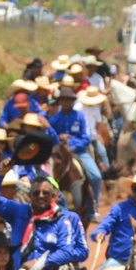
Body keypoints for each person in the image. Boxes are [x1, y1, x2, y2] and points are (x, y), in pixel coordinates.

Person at [45, 88, 102, 223]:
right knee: (46, 175)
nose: (66, 102)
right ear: (60, 101)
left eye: (69, 100)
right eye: (63, 100)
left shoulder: (80, 117)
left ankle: (93, 207)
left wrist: (73, 146)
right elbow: (49, 136)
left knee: (96, 176)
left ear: (72, 101)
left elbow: (86, 137)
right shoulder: (55, 119)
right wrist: (59, 138)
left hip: (79, 151)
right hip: (59, 153)